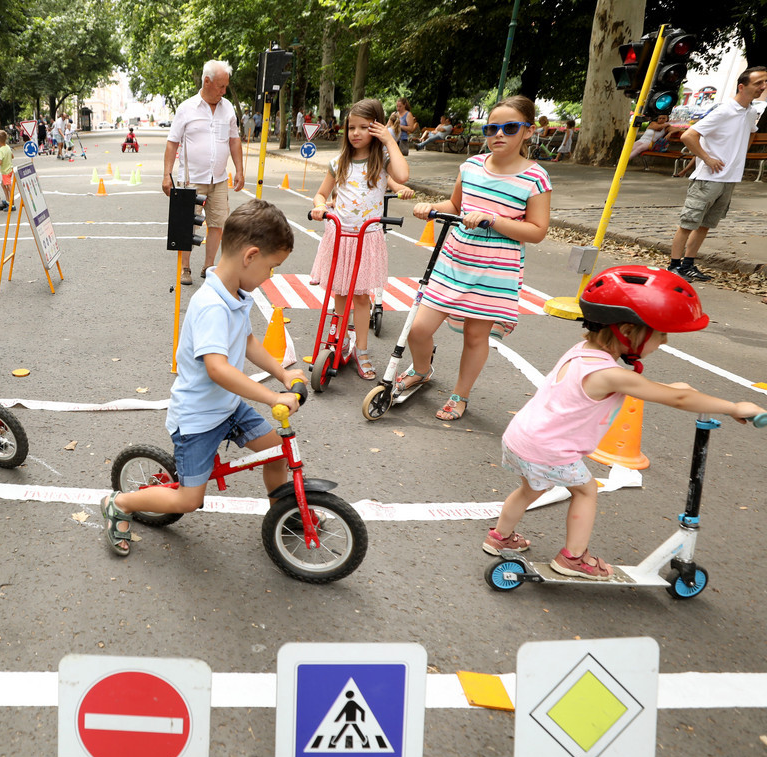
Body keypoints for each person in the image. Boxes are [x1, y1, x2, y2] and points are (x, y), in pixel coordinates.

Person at [485, 266, 764, 579]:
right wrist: (734, 406)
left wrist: (677, 390)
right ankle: (573, 558)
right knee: (586, 491)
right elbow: (677, 400)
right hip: (550, 449)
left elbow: (670, 393)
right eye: (660, 333)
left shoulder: (583, 352)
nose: (666, 341)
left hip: (522, 437)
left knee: (529, 488)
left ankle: (499, 537)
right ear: (629, 332)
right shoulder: (611, 375)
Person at [100, 200, 304, 556]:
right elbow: (217, 368)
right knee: (189, 499)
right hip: (198, 419)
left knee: (275, 452)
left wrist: (283, 374)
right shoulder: (211, 305)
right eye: (272, 268)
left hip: (226, 408)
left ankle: (281, 515)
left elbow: (248, 339)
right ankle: (122, 503)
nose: (270, 277)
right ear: (250, 256)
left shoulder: (235, 293)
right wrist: (272, 397)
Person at [404, 95, 551, 422]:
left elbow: (538, 230)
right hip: (455, 260)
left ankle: (461, 394)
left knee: (475, 336)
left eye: (510, 127)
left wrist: (492, 219)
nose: (499, 134)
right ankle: (421, 369)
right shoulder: (470, 166)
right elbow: (455, 207)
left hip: (496, 270)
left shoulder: (535, 177)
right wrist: (430, 209)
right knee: (418, 329)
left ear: (527, 132)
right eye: (491, 128)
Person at [306, 99, 410, 382]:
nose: (356, 133)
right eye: (352, 127)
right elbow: (321, 194)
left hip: (366, 238)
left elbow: (402, 175)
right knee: (340, 294)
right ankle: (338, 344)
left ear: (376, 128)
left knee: (361, 297)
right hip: (340, 236)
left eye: (365, 127)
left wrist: (389, 140)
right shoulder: (337, 163)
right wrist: (320, 207)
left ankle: (361, 350)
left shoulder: (382, 161)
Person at [668, 66, 767, 282]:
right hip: (707, 178)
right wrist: (707, 158)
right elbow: (689, 136)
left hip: (729, 179)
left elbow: (751, 133)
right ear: (742, 86)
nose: (763, 87)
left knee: (705, 225)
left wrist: (738, 155)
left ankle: (688, 265)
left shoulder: (750, 112)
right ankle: (673, 266)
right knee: (688, 223)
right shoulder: (723, 110)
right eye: (758, 83)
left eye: (765, 82)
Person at [163, 59, 245, 285]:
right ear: (206, 82)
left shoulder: (227, 107)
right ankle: (185, 269)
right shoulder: (186, 108)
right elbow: (172, 142)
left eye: (226, 86)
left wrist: (239, 170)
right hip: (191, 180)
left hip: (218, 179)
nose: (224, 91)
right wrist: (166, 175)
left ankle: (208, 267)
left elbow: (234, 140)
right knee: (188, 226)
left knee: (217, 224)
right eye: (220, 86)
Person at [0, 129, 13, 208]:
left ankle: (11, 203)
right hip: (10, 169)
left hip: (5, 171)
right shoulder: (7, 147)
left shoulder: (1, 150)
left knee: (8, 185)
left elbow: (0, 162)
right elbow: (12, 156)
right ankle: (8, 200)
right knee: (3, 184)